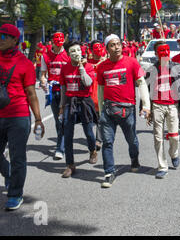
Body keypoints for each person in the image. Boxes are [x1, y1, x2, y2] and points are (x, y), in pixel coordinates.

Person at [0, 24, 45, 211]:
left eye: (6, 36)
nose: (1, 39)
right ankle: (10, 174)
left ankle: (15, 193)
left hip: (18, 117)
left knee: (17, 156)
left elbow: (31, 93)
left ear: (15, 40)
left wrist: (37, 119)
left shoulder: (25, 63)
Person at [97, 34, 150, 188]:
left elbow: (141, 83)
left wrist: (146, 105)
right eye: (112, 45)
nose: (117, 47)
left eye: (119, 44)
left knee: (132, 140)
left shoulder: (132, 62)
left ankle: (134, 159)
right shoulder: (102, 67)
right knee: (107, 142)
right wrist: (101, 110)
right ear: (107, 48)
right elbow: (100, 89)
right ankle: (109, 172)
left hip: (128, 110)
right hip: (108, 110)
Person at [145, 40, 180, 179]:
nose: (164, 54)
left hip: (173, 106)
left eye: (166, 51)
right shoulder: (151, 70)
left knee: (174, 136)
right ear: (156, 54)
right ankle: (162, 166)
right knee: (158, 138)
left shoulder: (176, 67)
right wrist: (147, 109)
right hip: (157, 105)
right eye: (161, 51)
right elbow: (146, 91)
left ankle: (174, 153)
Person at [58, 41, 97, 178]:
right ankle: (70, 164)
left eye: (78, 50)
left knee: (88, 131)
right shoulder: (65, 68)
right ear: (68, 54)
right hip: (70, 102)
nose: (76, 53)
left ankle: (92, 150)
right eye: (73, 51)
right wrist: (61, 107)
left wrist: (81, 68)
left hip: (84, 102)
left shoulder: (89, 66)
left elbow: (87, 82)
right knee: (68, 134)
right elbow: (63, 88)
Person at [40, 32, 70, 160]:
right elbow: (42, 74)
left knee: (64, 120)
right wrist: (43, 81)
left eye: (61, 39)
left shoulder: (68, 55)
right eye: (56, 39)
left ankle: (60, 148)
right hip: (53, 91)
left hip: (66, 91)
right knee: (58, 121)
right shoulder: (45, 56)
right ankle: (62, 145)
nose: (58, 41)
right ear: (51, 41)